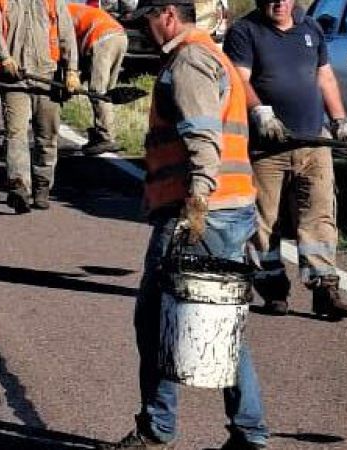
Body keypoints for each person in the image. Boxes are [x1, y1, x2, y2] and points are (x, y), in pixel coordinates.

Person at [102, 0, 268, 448]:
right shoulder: (212, 54)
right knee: (219, 320)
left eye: (149, 20)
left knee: (157, 319)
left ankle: (158, 429)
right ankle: (249, 433)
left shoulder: (190, 60)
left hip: (199, 213)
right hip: (227, 207)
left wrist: (196, 197)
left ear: (169, 16)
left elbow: (202, 135)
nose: (147, 30)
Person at [223, 0, 347, 319]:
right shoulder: (244, 32)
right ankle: (272, 289)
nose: (279, 3)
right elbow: (240, 80)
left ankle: (325, 288)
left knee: (319, 215)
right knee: (262, 222)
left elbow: (325, 78)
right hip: (266, 147)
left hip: (314, 143)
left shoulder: (310, 28)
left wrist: (341, 122)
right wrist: (260, 112)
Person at [0, 0, 80, 213]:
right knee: (15, 133)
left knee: (47, 137)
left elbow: (67, 33)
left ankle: (42, 185)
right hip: (13, 79)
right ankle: (19, 186)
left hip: (47, 77)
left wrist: (72, 70)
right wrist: (4, 58)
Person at [68, 2, 129, 155]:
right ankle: (101, 132)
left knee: (98, 91)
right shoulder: (74, 9)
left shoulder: (60, 15)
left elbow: (68, 46)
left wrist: (71, 71)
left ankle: (106, 137)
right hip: (120, 35)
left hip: (102, 37)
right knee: (107, 91)